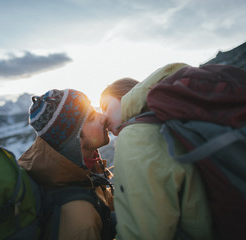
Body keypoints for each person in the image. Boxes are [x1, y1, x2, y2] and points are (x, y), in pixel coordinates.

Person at [100, 63, 213, 240]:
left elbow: (142, 233)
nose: (103, 117)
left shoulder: (135, 136)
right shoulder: (164, 122)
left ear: (124, 95)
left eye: (105, 106)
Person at [18, 88, 115, 240]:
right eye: (90, 118)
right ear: (72, 141)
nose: (102, 117)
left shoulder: (87, 170)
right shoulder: (81, 220)